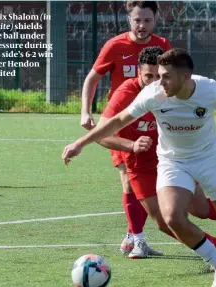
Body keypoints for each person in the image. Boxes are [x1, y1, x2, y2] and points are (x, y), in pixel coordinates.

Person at [63, 48, 216, 287]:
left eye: (167, 76)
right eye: (159, 75)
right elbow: (117, 121)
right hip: (173, 162)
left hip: (209, 160)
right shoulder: (153, 95)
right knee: (171, 218)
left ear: (186, 76)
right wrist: (80, 143)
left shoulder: (210, 89)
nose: (161, 82)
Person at [94, 46, 216, 260]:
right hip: (141, 163)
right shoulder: (127, 94)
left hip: (173, 158)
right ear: (138, 73)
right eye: (148, 77)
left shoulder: (174, 89)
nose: (154, 83)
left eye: (158, 76)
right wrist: (131, 145)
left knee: (200, 209)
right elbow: (102, 132)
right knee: (164, 221)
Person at [80, 1, 172, 252]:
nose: (142, 25)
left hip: (153, 122)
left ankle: (133, 236)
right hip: (122, 124)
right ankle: (138, 238)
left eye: (147, 20)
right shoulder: (115, 46)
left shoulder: (163, 47)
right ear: (129, 20)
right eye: (137, 20)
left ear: (156, 20)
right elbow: (92, 78)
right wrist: (85, 111)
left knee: (151, 182)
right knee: (129, 178)